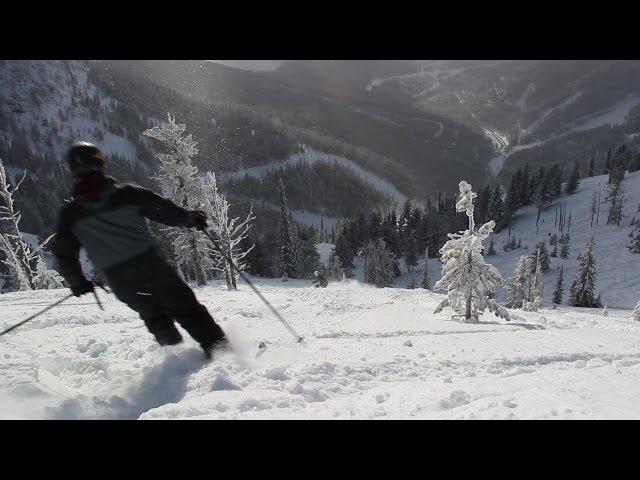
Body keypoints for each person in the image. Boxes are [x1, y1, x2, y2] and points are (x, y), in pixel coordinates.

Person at [51, 142, 227, 359]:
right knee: (188, 310)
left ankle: (176, 360)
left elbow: (63, 253)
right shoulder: (127, 195)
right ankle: (224, 356)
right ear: (101, 164)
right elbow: (165, 211)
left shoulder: (71, 214)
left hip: (120, 282)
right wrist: (191, 219)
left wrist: (77, 282)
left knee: (152, 314)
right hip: (152, 268)